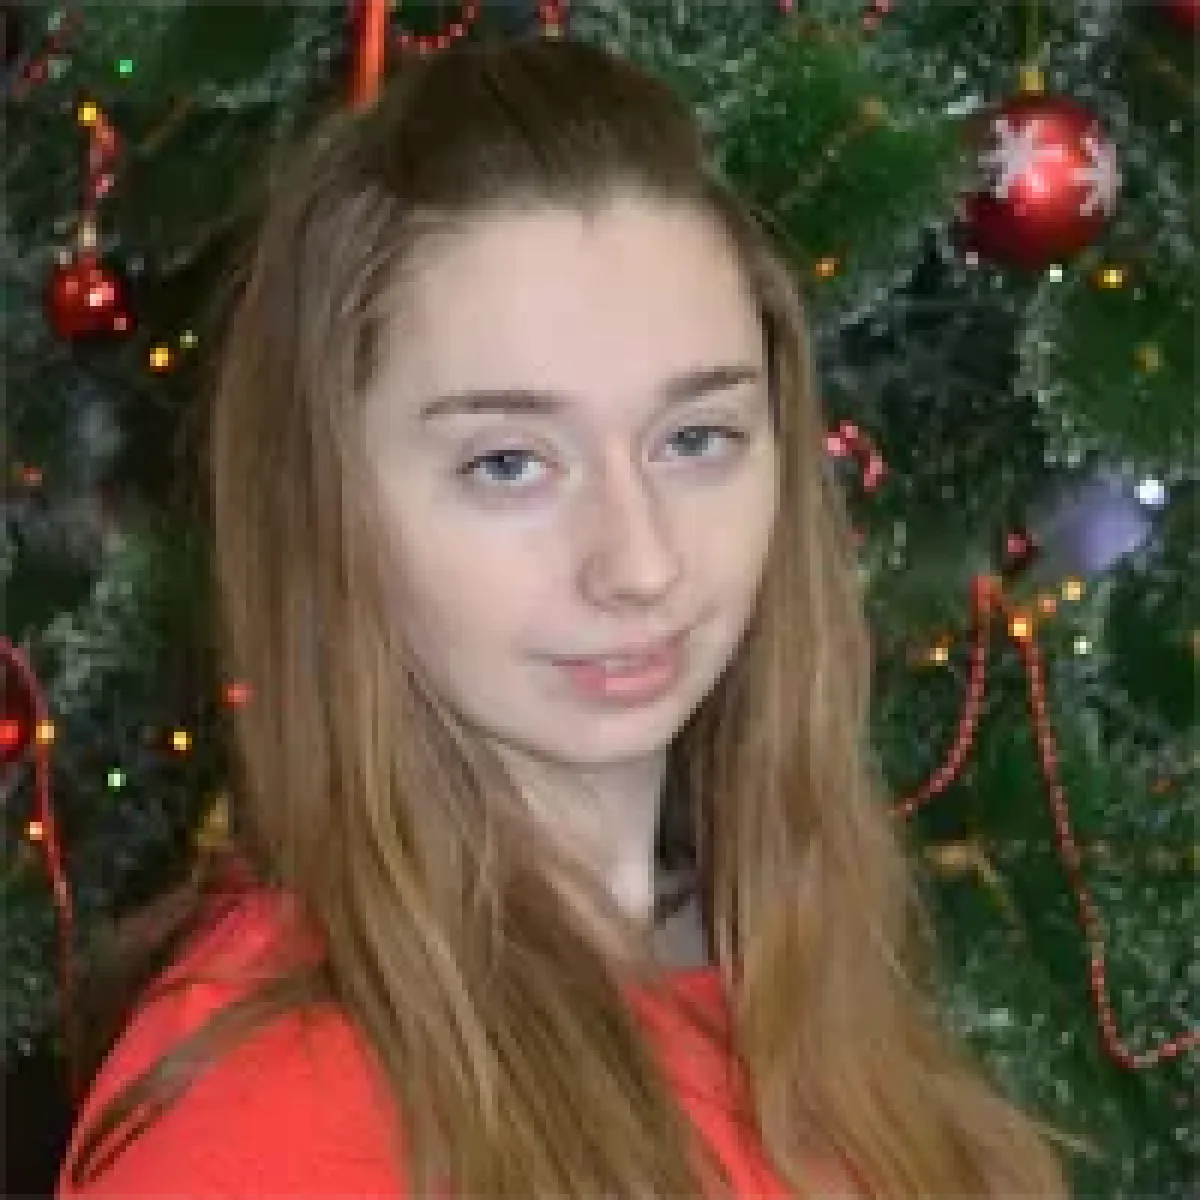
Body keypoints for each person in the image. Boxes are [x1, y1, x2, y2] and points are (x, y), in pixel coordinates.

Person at [56, 36, 1076, 1200]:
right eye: (508, 464)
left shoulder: (794, 973)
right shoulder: (271, 1127)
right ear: (329, 508)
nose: (638, 564)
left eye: (695, 440)